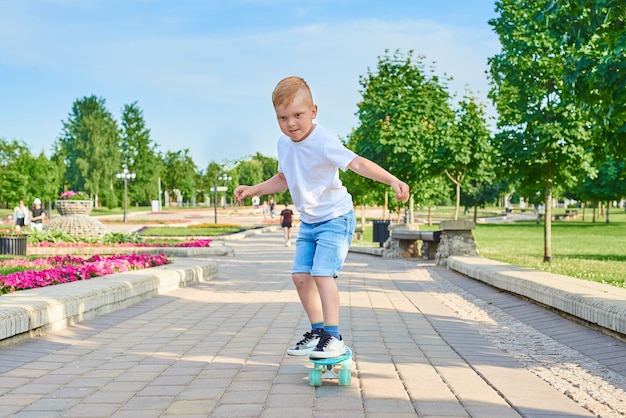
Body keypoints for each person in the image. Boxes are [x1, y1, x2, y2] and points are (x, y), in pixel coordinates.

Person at [234, 76, 409, 359]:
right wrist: (254, 189)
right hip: (310, 222)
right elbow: (283, 178)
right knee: (301, 276)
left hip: (336, 218)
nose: (291, 123)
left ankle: (333, 336)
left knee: (322, 273)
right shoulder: (284, 144)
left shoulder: (324, 141)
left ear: (313, 112)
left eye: (298, 115)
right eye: (283, 118)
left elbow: (357, 163)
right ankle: (317, 332)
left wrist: (392, 180)